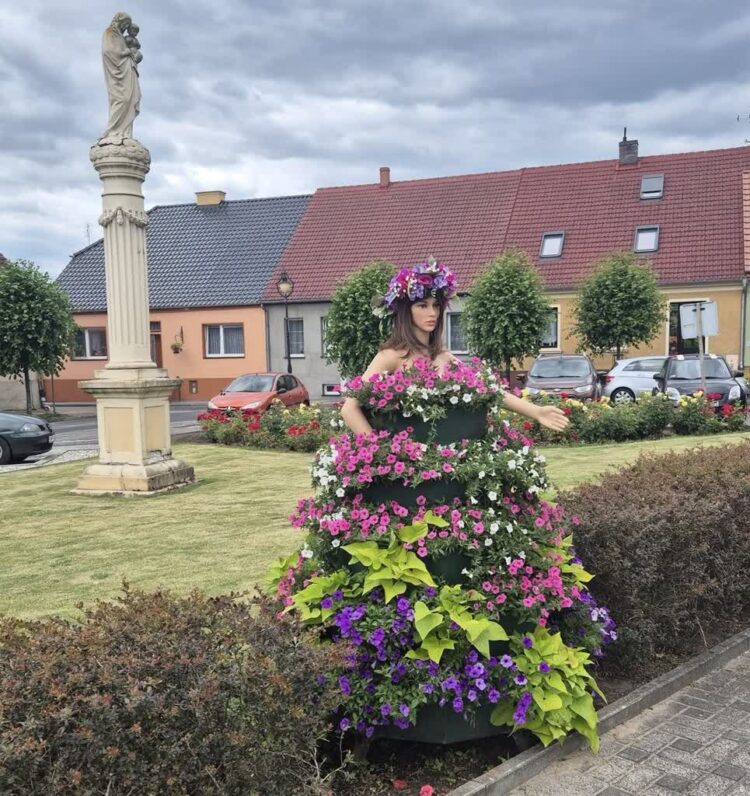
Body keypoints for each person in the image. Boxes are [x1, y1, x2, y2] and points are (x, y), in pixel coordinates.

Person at [340, 259, 569, 435]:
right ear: (405, 312)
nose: (432, 313)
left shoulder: (443, 357)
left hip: (443, 458)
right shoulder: (390, 356)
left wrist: (536, 411)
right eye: (422, 305)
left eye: (436, 306)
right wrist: (381, 452)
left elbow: (486, 389)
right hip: (407, 467)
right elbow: (349, 409)